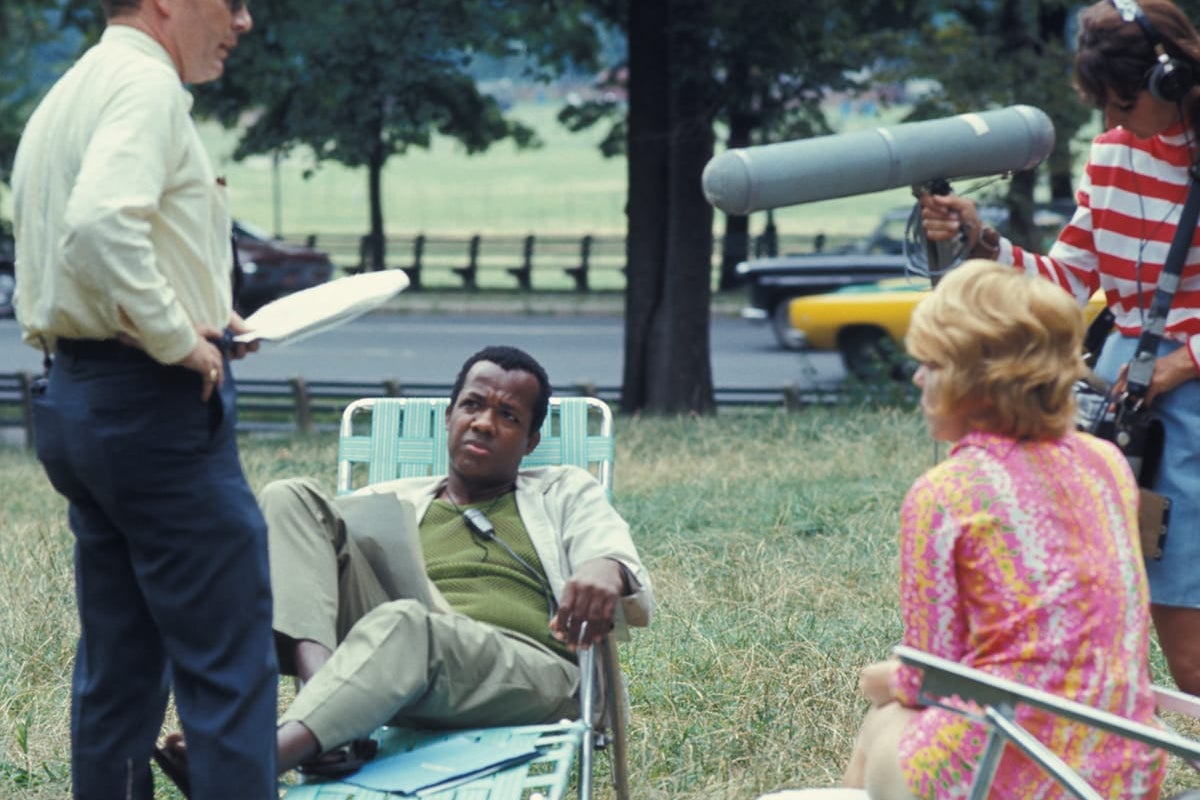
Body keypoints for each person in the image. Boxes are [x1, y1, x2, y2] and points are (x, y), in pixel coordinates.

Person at [157, 345, 654, 783]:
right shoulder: (387, 500)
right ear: (449, 415)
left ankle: (251, 764)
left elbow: (611, 550)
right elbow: (302, 577)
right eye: (473, 405)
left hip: (531, 676)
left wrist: (603, 569)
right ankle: (329, 720)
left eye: (508, 416)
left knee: (405, 623)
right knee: (289, 496)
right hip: (400, 661)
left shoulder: (562, 489)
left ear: (529, 442)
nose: (483, 422)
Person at [762, 262, 1165, 800]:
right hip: (1121, 768)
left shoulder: (947, 493)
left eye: (930, 363)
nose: (917, 378)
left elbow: (933, 670)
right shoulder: (1106, 464)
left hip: (1007, 766)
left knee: (886, 715)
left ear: (974, 382)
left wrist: (887, 679)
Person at [10, 1, 278, 798]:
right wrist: (176, 340)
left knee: (121, 669)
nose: (244, 20)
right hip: (152, 411)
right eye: (228, 3)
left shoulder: (73, 90)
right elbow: (98, 226)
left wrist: (202, 307)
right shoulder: (147, 88)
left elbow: (95, 235)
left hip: (78, 400)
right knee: (228, 671)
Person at [921, 0, 1200, 698]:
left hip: (1188, 394)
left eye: (1125, 102)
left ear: (1171, 81)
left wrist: (1181, 362)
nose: (1113, 119)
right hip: (1124, 409)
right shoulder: (1109, 157)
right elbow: (1065, 283)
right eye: (1103, 104)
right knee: (1114, 618)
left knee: (1189, 642)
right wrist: (979, 241)